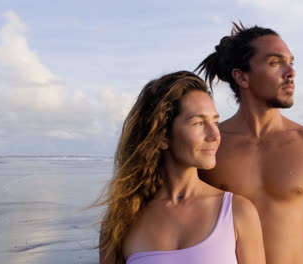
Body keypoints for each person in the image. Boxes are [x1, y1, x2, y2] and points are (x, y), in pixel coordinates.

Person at [196, 23, 303, 264]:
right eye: (275, 62)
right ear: (242, 76)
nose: (291, 72)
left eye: (291, 62)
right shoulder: (209, 147)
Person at [96, 71, 265, 264]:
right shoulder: (121, 222)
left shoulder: (237, 212)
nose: (215, 135)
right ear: (162, 137)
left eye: (215, 122)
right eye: (199, 123)